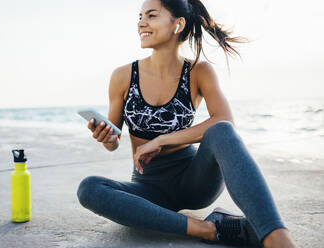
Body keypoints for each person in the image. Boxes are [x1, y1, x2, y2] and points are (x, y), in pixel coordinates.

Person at [77, 0, 298, 247]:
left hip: (194, 181)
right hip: (148, 187)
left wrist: (162, 140)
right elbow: (113, 142)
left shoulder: (197, 71)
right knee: (89, 188)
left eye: (151, 15)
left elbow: (224, 120)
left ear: (178, 24)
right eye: (139, 17)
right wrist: (107, 137)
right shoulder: (123, 76)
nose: (141, 23)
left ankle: (276, 236)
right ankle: (208, 229)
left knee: (222, 131)